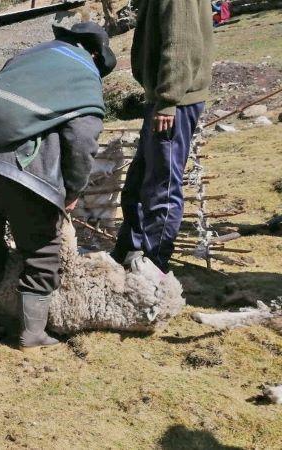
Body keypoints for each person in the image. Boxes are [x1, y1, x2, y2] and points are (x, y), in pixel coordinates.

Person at [0, 22, 115, 351]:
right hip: (25, 175)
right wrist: (71, 191)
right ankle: (32, 335)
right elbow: (82, 140)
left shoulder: (30, 56)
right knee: (43, 252)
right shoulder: (82, 75)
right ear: (94, 53)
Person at [111, 0, 214, 273]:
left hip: (174, 101)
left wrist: (168, 99)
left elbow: (181, 43)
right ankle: (128, 252)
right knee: (139, 181)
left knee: (162, 186)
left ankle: (152, 265)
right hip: (164, 99)